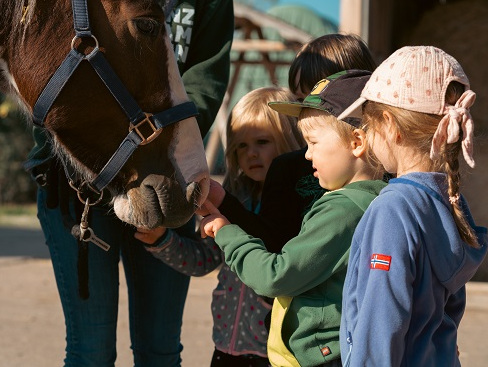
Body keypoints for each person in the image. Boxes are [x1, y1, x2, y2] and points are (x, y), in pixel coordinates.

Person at [23, 1, 234, 366]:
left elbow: (207, 73)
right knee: (91, 350)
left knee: (160, 349)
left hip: (165, 171)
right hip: (77, 181)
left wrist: (158, 134)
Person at [200, 70, 386, 367]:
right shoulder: (382, 197)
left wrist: (225, 231)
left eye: (312, 143)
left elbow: (277, 275)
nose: (306, 156)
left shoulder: (343, 210)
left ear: (356, 142)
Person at [337, 46, 488, 366]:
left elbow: (382, 319)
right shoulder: (450, 202)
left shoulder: (393, 210)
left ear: (390, 126)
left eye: (368, 124)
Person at [136, 86, 305, 367]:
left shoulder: (297, 206)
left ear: (289, 140)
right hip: (225, 347)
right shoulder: (233, 197)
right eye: (240, 146)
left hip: (272, 354)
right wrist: (161, 240)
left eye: (262, 142)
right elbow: (203, 260)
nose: (250, 154)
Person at [202, 33, 378, 252]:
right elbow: (273, 243)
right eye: (299, 101)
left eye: (319, 101)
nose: (306, 112)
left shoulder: (388, 162)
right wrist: (224, 205)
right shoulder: (287, 169)